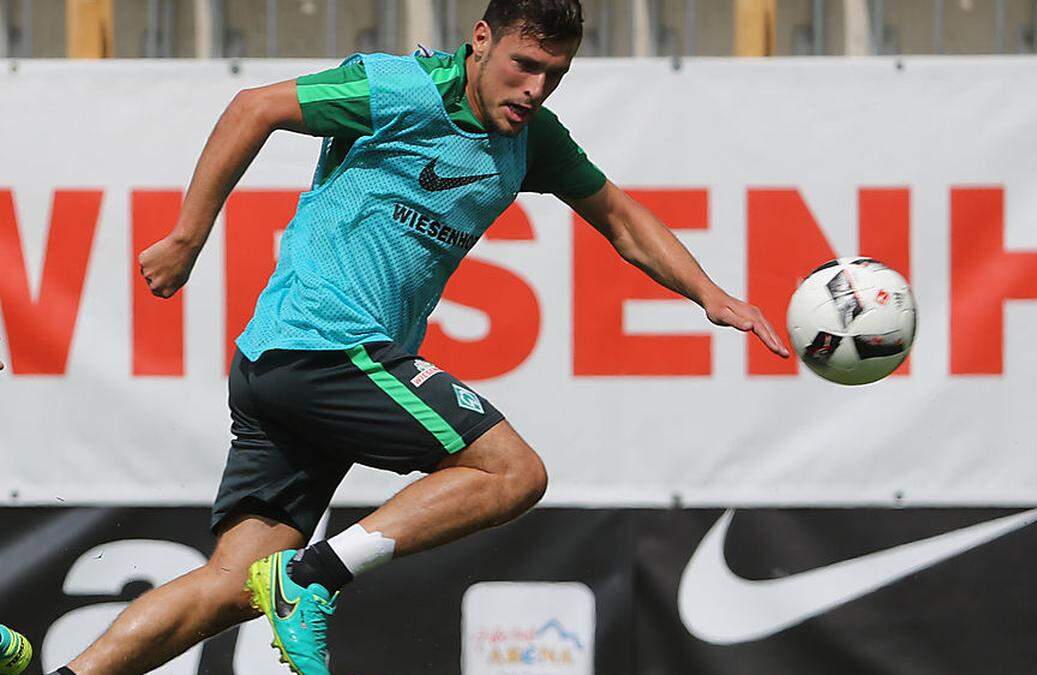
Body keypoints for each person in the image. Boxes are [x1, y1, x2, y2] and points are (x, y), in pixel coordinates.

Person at [46, 1, 789, 673]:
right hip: (323, 346)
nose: (535, 88)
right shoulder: (397, 89)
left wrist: (711, 294)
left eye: (553, 74)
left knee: (228, 587)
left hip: (281, 365)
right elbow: (252, 107)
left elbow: (621, 217)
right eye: (523, 64)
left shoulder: (533, 141)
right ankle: (310, 579)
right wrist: (186, 236)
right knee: (512, 473)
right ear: (481, 41)